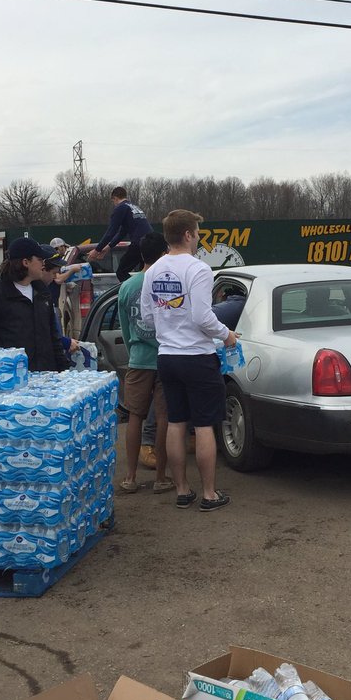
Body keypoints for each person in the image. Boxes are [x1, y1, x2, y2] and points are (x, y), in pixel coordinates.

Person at [140, 209, 237, 511]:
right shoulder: (199, 269)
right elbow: (202, 316)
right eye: (197, 233)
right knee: (205, 425)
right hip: (196, 356)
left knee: (176, 422)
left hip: (167, 357)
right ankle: (209, 494)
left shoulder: (153, 270)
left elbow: (146, 317)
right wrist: (227, 335)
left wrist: (169, 324)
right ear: (187, 235)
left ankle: (182, 490)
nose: (198, 238)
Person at [117, 231, 174, 495]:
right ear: (164, 253)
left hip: (139, 359)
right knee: (163, 418)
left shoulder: (127, 287)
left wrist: (134, 351)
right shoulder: (167, 284)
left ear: (141, 254)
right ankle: (161, 477)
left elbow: (125, 327)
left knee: (134, 416)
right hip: (165, 357)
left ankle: (130, 478)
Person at [0, 237, 69, 373]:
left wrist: (63, 370)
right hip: (9, 380)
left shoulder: (42, 292)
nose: (43, 264)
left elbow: (53, 337)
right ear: (26, 262)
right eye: (40, 259)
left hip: (45, 378)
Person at [87, 187, 153, 282]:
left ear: (115, 198)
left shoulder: (120, 208)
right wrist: (108, 247)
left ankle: (132, 288)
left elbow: (111, 232)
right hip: (151, 242)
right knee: (145, 273)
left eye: (113, 201)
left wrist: (97, 250)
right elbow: (122, 233)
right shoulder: (133, 207)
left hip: (139, 243)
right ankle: (144, 288)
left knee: (121, 272)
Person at [38, 244, 80, 361]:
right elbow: (45, 334)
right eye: (53, 273)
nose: (54, 277)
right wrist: (65, 342)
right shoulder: (38, 297)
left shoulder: (42, 294)